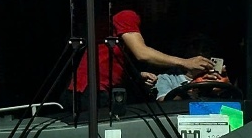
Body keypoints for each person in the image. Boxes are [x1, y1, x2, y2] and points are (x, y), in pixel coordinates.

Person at [65, 8, 213, 109]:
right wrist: (186, 62)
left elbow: (115, 60)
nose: (165, 6)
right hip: (91, 92)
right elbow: (141, 53)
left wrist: (137, 77)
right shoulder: (126, 14)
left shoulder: (127, 21)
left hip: (104, 89)